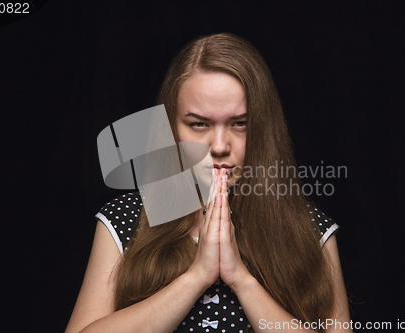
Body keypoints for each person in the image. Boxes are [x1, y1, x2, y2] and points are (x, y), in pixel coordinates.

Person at [65, 33, 352, 333]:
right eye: (198, 124)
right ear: (171, 129)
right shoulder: (125, 219)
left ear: (263, 130)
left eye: (240, 123)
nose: (218, 146)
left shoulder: (311, 229)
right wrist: (197, 276)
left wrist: (240, 279)